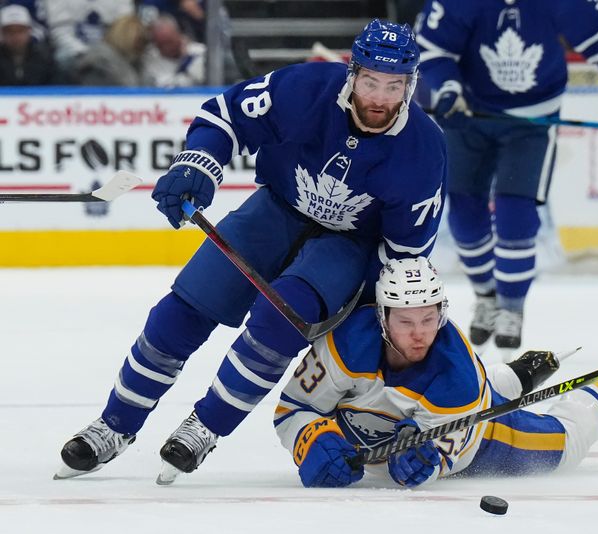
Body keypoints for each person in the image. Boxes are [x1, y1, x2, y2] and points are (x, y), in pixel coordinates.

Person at [55, 19, 447, 485]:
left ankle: (206, 426)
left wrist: (381, 317)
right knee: (182, 311)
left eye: (393, 85)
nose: (380, 97)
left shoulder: (424, 150)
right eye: (370, 81)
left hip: (349, 243)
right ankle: (114, 426)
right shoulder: (305, 88)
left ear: (410, 84)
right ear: (352, 74)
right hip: (276, 209)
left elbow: (404, 254)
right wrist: (198, 162)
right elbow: (225, 114)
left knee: (279, 321)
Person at [274, 257, 598, 488]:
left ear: (442, 313)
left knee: (567, 442)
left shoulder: (456, 378)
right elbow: (292, 409)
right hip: (461, 396)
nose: (419, 334)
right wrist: (310, 440)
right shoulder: (345, 345)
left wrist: (431, 462)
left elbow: (454, 452)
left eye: (428, 319)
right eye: (405, 322)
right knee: (474, 389)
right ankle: (518, 374)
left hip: (484, 438)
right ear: (382, 319)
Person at [414, 0, 598, 353]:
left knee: (516, 213)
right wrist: (448, 87)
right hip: (469, 116)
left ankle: (512, 308)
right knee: (463, 210)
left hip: (532, 123)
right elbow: (432, 47)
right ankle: (486, 295)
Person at [0, 3, 58, 85]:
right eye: (10, 31)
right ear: (2, 33)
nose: (15, 36)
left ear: (29, 31)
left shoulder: (45, 58)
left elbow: (59, 88)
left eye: (20, 31)